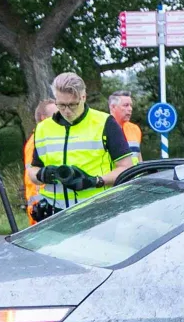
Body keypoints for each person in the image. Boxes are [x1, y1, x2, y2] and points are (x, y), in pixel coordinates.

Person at [28, 73, 135, 218]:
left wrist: (95, 181)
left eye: (72, 104)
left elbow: (126, 168)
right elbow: (33, 169)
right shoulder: (43, 128)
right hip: (54, 214)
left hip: (96, 211)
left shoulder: (105, 123)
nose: (67, 110)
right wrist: (42, 174)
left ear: (83, 97)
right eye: (61, 104)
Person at [23, 97, 57, 225]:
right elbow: (32, 181)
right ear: (43, 118)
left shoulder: (44, 140)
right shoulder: (36, 142)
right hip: (42, 208)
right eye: (56, 115)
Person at [108, 90, 141, 165]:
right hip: (114, 176)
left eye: (131, 105)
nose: (130, 109)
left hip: (135, 176)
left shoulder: (134, 129)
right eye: (126, 105)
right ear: (113, 107)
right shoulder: (103, 127)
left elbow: (138, 158)